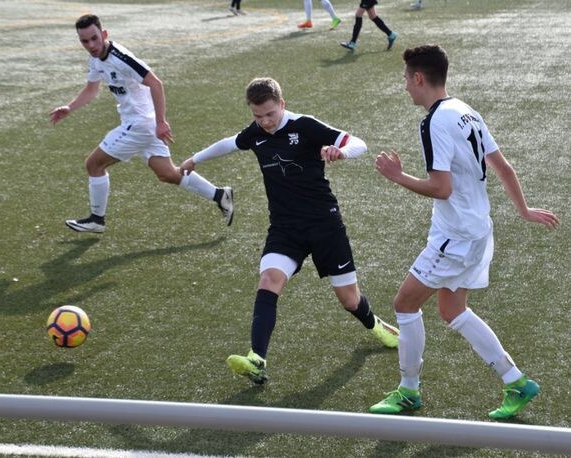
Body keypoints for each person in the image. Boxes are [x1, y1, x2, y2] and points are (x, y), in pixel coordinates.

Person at [370, 45, 559, 419]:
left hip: (454, 237)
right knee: (452, 309)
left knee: (404, 305)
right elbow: (504, 168)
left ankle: (408, 392)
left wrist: (397, 176)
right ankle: (516, 381)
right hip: (478, 230)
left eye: (405, 78)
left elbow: (441, 188)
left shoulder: (434, 122)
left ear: (419, 78)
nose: (404, 86)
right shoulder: (466, 111)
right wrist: (523, 210)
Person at [180, 77, 399, 384]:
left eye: (270, 114)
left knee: (349, 300)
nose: (265, 122)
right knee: (269, 279)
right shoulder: (256, 133)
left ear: (282, 104)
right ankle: (257, 359)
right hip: (285, 227)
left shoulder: (304, 126)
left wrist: (341, 152)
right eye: (258, 116)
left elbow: (357, 143)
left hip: (324, 225)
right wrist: (194, 160)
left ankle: (374, 324)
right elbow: (230, 143)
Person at [50, 14, 234, 233]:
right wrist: (69, 107)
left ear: (104, 34)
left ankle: (97, 220)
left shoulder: (121, 58)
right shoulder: (95, 58)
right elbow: (91, 90)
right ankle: (220, 195)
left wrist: (161, 122)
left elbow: (155, 83)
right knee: (167, 174)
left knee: (93, 165)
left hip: (140, 125)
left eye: (94, 38)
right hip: (143, 124)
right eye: (84, 41)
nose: (91, 45)